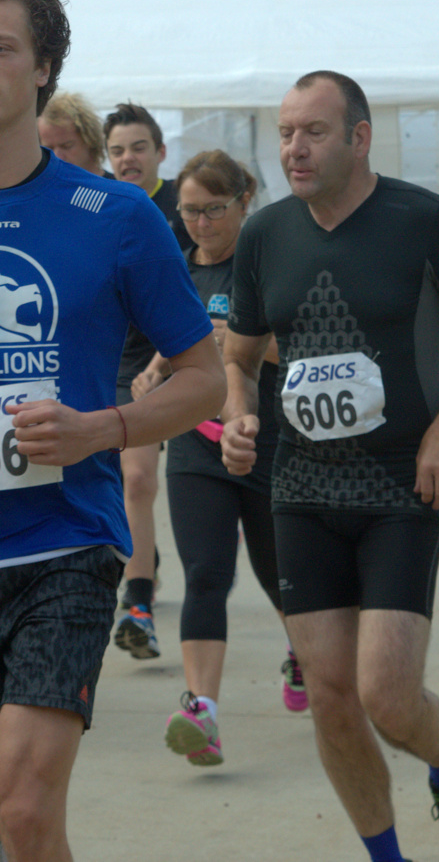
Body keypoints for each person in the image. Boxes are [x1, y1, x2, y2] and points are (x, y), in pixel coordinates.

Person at [0, 0, 223, 862]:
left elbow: (204, 380)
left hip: (69, 543)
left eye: (0, 48)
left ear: (43, 68)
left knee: (24, 808)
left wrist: (100, 427)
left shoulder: (118, 216)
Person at [221, 71, 439, 862]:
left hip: (400, 483)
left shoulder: (422, 219)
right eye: (286, 132)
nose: (294, 148)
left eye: (313, 132)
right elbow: (240, 354)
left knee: (386, 695)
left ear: (359, 138)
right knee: (329, 696)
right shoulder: (264, 233)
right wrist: (240, 412)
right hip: (301, 487)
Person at [131, 150, 297, 769]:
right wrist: (153, 372)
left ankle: (306, 654)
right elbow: (173, 340)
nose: (200, 224)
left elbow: (304, 346)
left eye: (213, 210)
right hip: (196, 444)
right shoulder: (179, 269)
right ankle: (203, 712)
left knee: (281, 574)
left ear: (243, 202)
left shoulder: (269, 263)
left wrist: (243, 346)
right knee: (205, 574)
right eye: (189, 212)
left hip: (266, 441)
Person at [102, 101, 192, 658]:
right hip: (117, 367)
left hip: (178, 363)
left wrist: (165, 362)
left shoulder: (184, 207)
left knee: (139, 480)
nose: (127, 159)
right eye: (117, 151)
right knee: (129, 482)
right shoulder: (101, 206)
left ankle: (139, 594)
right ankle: (139, 589)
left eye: (138, 148)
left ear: (160, 152)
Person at [38, 91, 107, 176]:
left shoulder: (116, 183)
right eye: (49, 149)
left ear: (90, 140)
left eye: (66, 146)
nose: (58, 157)